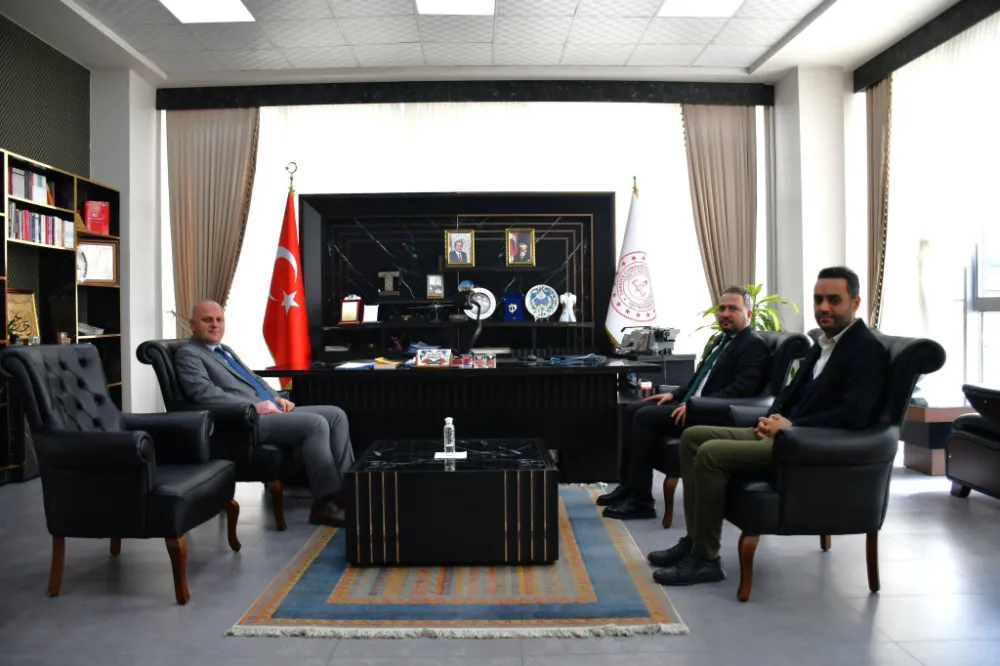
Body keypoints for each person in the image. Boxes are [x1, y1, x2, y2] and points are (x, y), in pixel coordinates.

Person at [648, 266, 888, 586]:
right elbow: (789, 393)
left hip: (806, 444)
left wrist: (792, 426)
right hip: (784, 432)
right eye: (818, 299)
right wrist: (771, 418)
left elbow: (854, 414)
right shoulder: (823, 344)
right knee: (693, 437)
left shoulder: (866, 350)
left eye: (834, 300)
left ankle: (706, 559)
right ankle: (694, 541)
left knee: (709, 453)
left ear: (855, 303)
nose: (824, 307)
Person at [175, 301, 355, 527]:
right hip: (243, 421)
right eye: (207, 320)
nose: (215, 324)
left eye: (219, 319)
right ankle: (325, 504)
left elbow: (255, 380)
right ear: (192, 325)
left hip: (267, 411)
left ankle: (348, 493)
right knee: (316, 423)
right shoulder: (189, 355)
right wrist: (254, 406)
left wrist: (276, 397)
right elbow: (204, 394)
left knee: (336, 415)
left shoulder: (224, 350)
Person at [599, 286, 770, 520]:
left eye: (733, 309)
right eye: (721, 309)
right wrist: (676, 395)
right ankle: (627, 487)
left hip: (712, 413)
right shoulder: (721, 340)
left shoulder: (753, 344)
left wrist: (698, 405)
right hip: (693, 405)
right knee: (631, 410)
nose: (725, 314)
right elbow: (700, 378)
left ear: (748, 314)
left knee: (644, 417)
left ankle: (641, 502)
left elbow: (743, 389)